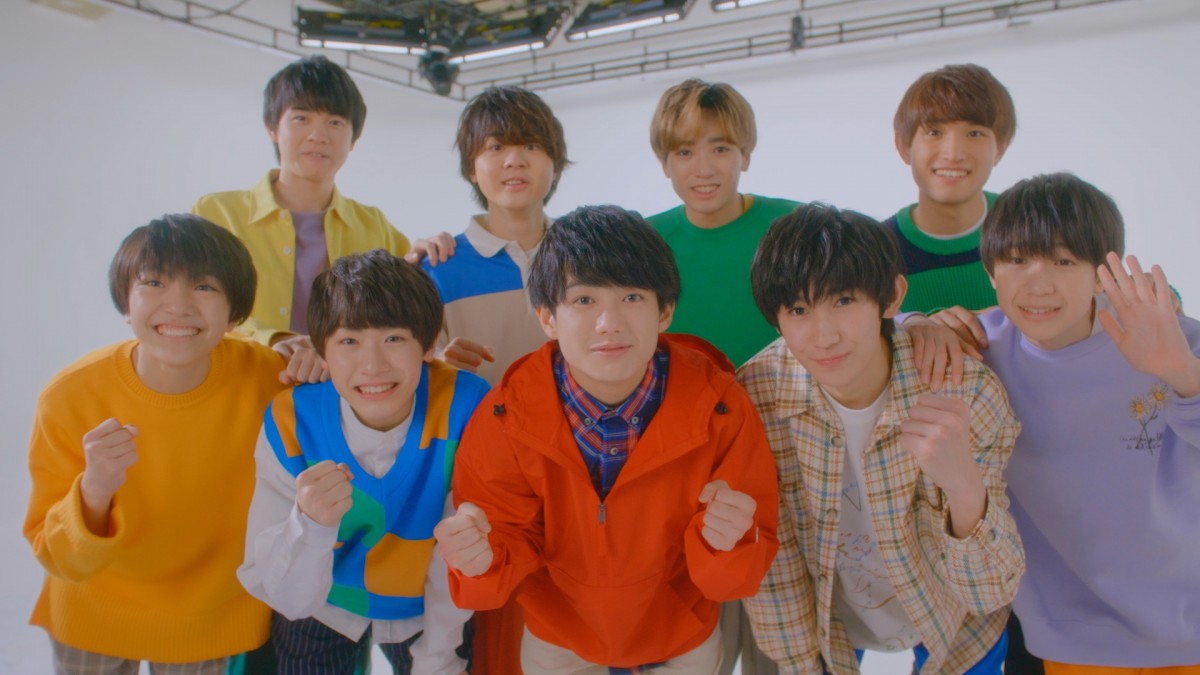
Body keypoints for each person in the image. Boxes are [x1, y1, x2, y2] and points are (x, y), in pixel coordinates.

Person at [434, 205, 779, 674]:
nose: (608, 323)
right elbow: (502, 555)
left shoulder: (722, 406)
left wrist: (732, 543)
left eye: (632, 297)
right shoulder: (504, 417)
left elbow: (737, 577)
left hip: (682, 638)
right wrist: (480, 560)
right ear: (547, 317)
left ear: (665, 310)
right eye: (583, 300)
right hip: (559, 640)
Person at [921, 173, 1200, 674]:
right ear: (990, 273)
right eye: (1017, 260)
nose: (1038, 283)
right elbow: (869, 343)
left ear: (1102, 274)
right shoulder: (981, 350)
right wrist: (922, 324)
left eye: (1064, 261)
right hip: (1074, 637)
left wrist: (1182, 373)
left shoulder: (1168, 336)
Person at [737, 203, 1024, 674]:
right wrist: (801, 664)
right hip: (827, 626)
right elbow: (775, 562)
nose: (823, 336)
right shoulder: (756, 399)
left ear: (891, 297)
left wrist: (963, 485)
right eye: (799, 310)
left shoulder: (965, 392)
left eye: (843, 301)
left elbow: (990, 590)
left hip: (958, 625)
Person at [24, 214, 288, 674]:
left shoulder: (271, 379)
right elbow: (54, 553)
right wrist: (94, 490)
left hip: (211, 618)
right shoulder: (70, 395)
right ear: (125, 303)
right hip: (94, 611)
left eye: (204, 287)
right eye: (154, 283)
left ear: (236, 314)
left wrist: (316, 357)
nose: (178, 305)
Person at [238, 249, 489, 675]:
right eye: (349, 342)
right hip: (323, 603)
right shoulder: (291, 421)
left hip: (428, 608)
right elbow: (291, 599)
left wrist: (437, 660)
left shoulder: (466, 406)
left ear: (429, 344)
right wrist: (312, 524)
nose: (372, 366)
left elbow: (458, 555)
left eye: (394, 339)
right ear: (322, 351)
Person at [194, 54, 419, 385]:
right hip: (238, 386)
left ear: (353, 139)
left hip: (342, 397)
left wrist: (436, 251)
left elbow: (409, 314)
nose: (318, 135)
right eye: (301, 118)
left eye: (335, 123)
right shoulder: (216, 214)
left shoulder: (376, 227)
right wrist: (272, 338)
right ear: (272, 127)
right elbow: (196, 306)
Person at [420, 85, 570, 386]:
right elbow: (418, 375)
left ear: (555, 164)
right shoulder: (438, 269)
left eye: (531, 146)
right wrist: (440, 369)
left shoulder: (586, 257)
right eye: (496, 147)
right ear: (471, 168)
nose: (514, 160)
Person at [647, 78, 801, 367]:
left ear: (745, 156)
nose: (703, 170)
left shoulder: (797, 226)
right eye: (684, 152)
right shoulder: (643, 242)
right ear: (664, 164)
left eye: (720, 149)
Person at [886, 63, 1015, 315]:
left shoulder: (1033, 227)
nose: (953, 153)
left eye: (975, 133)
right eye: (934, 132)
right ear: (903, 146)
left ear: (1000, 148)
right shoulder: (877, 252)